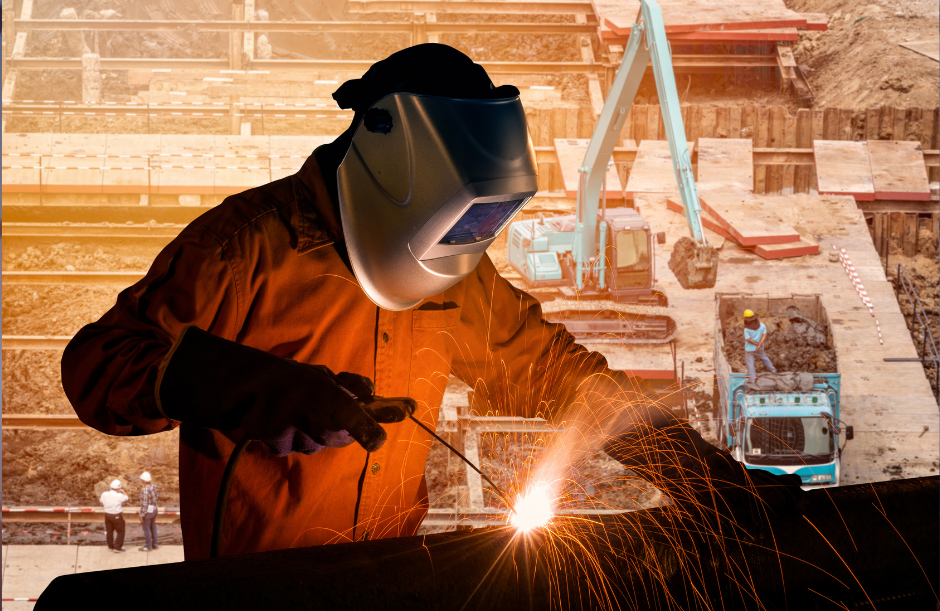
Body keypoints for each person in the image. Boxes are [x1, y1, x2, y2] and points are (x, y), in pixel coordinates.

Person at [61, 44, 802, 561]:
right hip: (259, 589)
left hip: (390, 575)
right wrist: (244, 386)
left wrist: (701, 474)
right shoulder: (245, 246)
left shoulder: (453, 273)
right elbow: (98, 367)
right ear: (392, 165)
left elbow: (561, 377)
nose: (465, 244)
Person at [743, 309, 777, 383]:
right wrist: (759, 345)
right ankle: (773, 370)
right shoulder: (762, 325)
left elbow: (748, 339)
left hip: (749, 350)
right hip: (760, 348)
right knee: (764, 358)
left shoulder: (746, 328)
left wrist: (757, 344)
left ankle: (752, 380)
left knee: (750, 364)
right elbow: (764, 335)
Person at [99, 480, 128, 553]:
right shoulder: (119, 496)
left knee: (109, 531)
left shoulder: (104, 494)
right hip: (116, 515)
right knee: (121, 531)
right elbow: (126, 497)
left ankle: (110, 546)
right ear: (118, 488)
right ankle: (117, 547)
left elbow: (101, 501)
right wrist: (122, 491)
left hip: (107, 515)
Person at [138, 472, 159, 552]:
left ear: (143, 480)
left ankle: (148, 546)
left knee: (146, 529)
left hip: (148, 512)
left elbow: (144, 504)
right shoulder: (154, 486)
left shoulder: (145, 490)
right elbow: (157, 496)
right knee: (153, 527)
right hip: (155, 509)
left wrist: (141, 515)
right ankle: (155, 544)